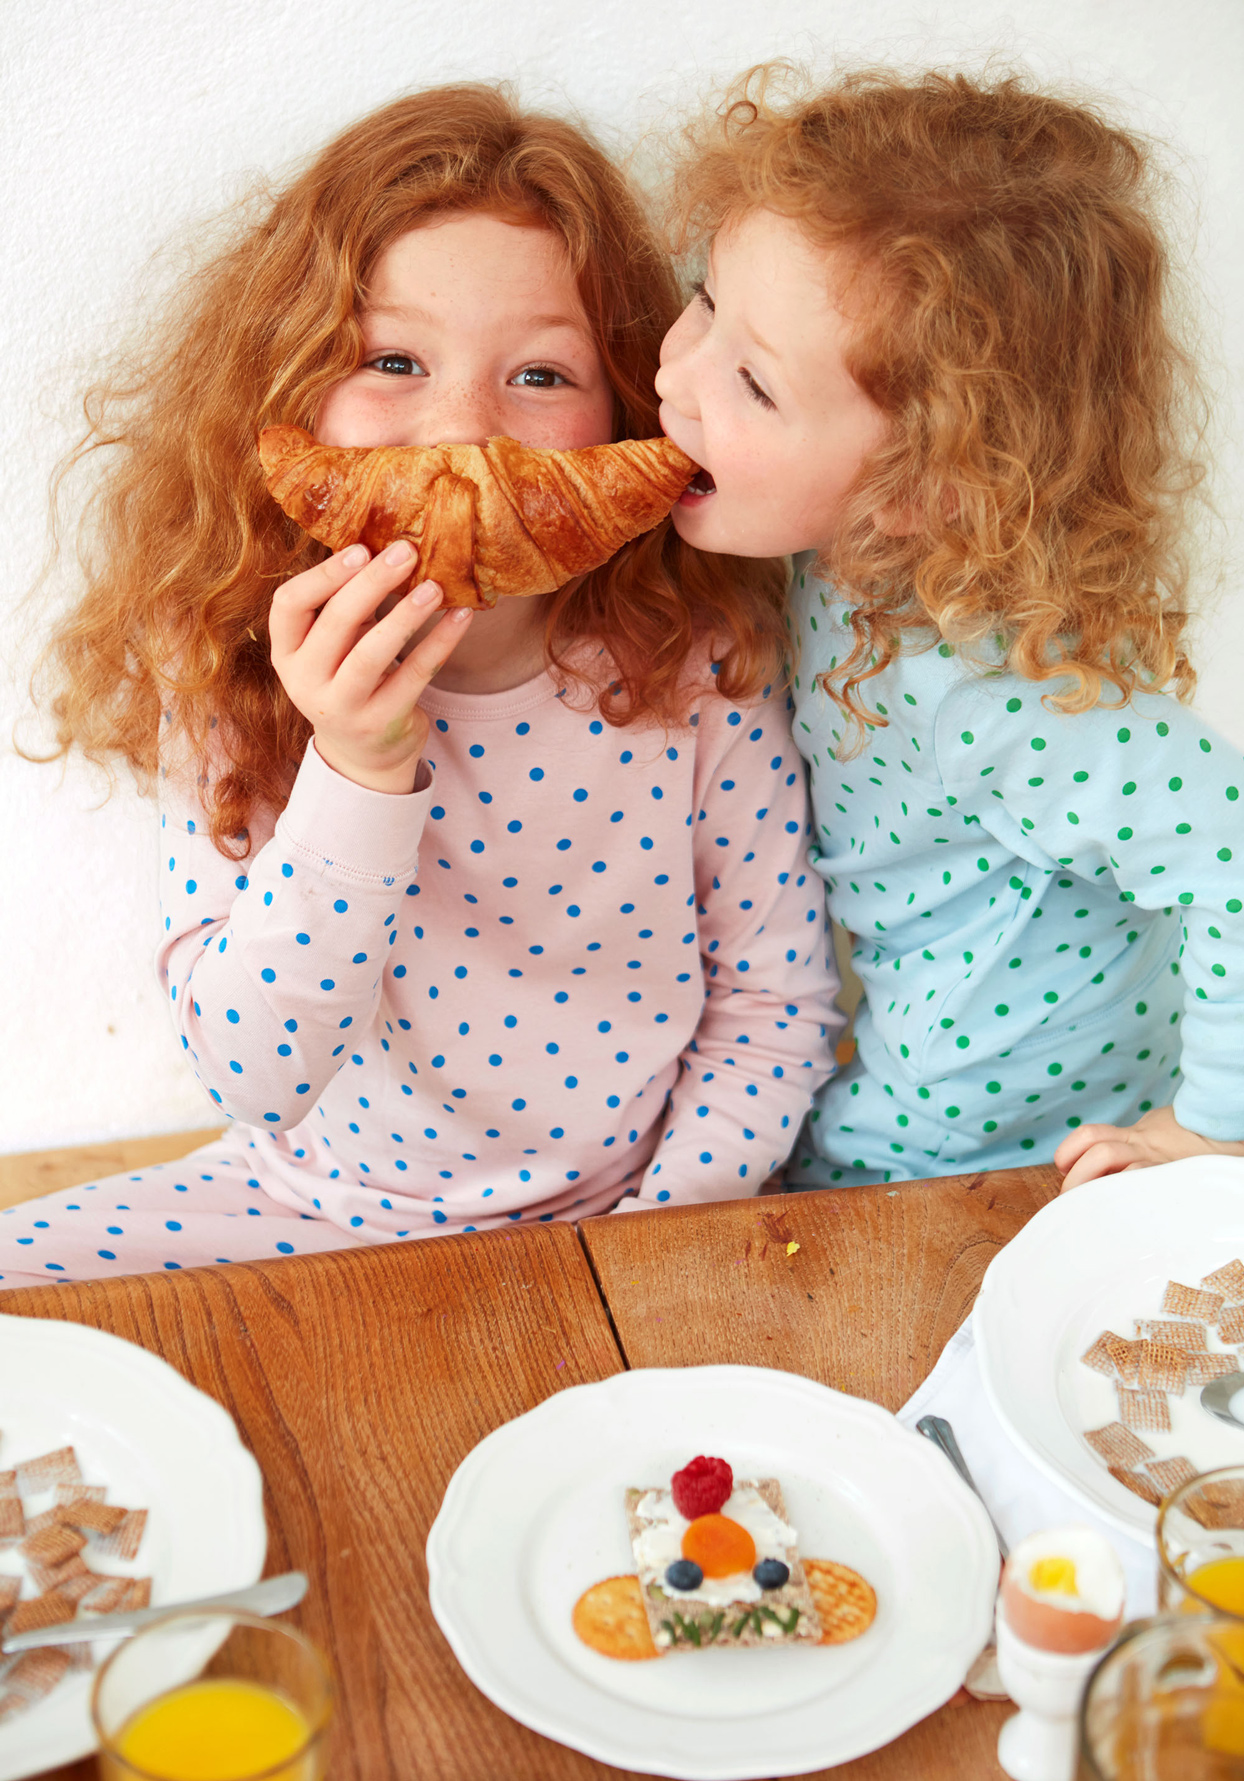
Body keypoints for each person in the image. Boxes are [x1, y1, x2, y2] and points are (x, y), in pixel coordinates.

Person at [1, 85, 839, 1290]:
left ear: (620, 412)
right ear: (289, 395)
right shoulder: (238, 669)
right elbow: (255, 1075)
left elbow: (770, 1006)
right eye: (392, 359)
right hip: (308, 1201)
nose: (459, 431)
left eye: (541, 375)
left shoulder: (694, 668)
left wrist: (654, 1241)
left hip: (625, 1212)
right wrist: (357, 761)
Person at [655, 66, 1244, 1193]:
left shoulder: (985, 687)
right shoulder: (835, 542)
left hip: (978, 1129)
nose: (674, 376)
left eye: (754, 386)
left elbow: (1230, 851)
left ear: (924, 484)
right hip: (908, 1036)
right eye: (702, 298)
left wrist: (1215, 1128)